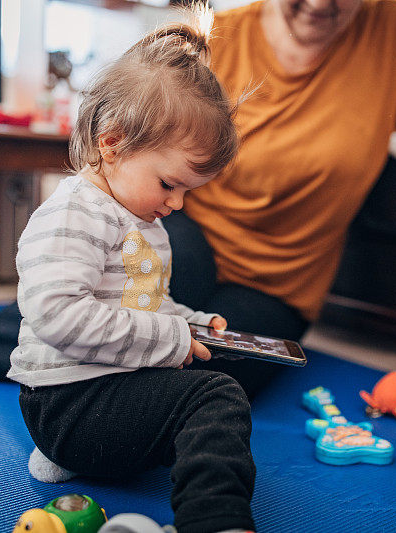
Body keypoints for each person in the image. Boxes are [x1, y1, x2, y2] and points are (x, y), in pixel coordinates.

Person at [0, 0, 396, 399]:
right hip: (185, 235)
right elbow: (131, 131)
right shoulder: (217, 40)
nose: (319, 3)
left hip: (276, 286)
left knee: (209, 373)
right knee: (129, 299)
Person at [14, 14, 256, 533]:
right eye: (170, 184)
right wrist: (169, 338)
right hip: (67, 404)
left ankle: (74, 459)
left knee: (207, 375)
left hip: (92, 397)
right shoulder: (71, 215)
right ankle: (215, 519)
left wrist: (189, 322)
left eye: (189, 191)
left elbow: (146, 306)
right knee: (218, 398)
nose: (178, 203)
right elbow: (57, 317)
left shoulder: (139, 217)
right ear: (112, 142)